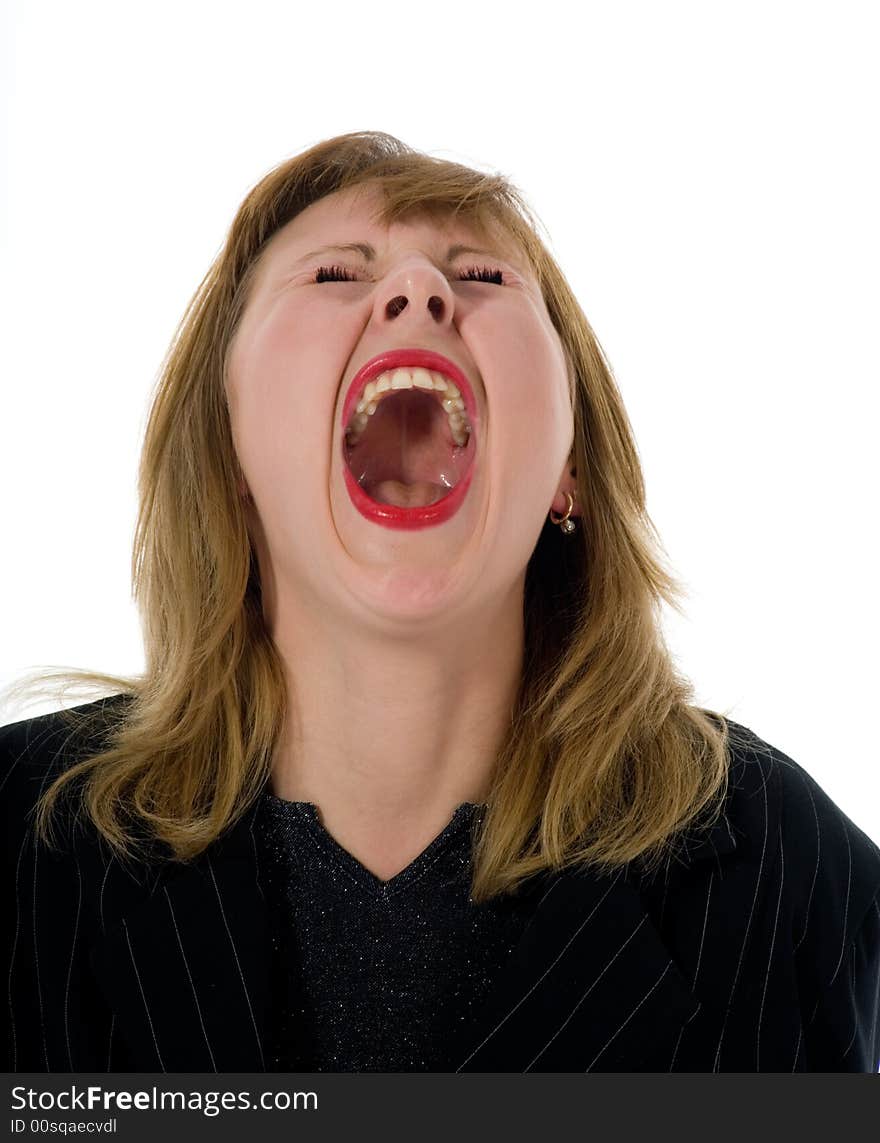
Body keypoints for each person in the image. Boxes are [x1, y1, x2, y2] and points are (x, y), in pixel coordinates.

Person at [3, 130, 879, 1074]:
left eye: (485, 279)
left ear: (568, 463)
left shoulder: (787, 873)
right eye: (337, 272)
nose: (418, 289)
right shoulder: (18, 840)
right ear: (230, 446)